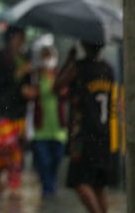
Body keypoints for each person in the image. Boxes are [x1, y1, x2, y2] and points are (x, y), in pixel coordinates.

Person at [53, 41, 115, 213]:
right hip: (104, 135)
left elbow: (56, 87)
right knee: (98, 186)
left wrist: (69, 60)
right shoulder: (108, 70)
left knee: (78, 181)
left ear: (84, 44)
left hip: (84, 135)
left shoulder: (79, 67)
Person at [0, 25, 31, 199]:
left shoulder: (24, 58)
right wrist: (20, 72)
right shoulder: (1, 57)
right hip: (3, 111)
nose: (21, 42)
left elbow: (24, 86)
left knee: (17, 152)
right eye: (19, 38)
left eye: (23, 39)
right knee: (3, 150)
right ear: (11, 39)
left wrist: (28, 88)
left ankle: (13, 188)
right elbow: (3, 83)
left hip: (19, 112)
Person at [21, 45, 68, 198]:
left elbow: (65, 92)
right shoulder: (35, 76)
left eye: (50, 57)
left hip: (58, 129)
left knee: (56, 158)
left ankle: (50, 185)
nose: (48, 61)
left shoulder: (59, 75)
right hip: (41, 128)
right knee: (43, 161)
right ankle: (47, 188)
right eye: (45, 57)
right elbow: (28, 92)